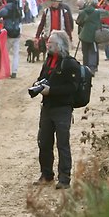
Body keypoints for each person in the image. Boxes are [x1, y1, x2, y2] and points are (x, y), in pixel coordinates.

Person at [34, 32, 81, 190]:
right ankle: (46, 174)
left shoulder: (69, 63)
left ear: (60, 45)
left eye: (52, 43)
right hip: (47, 107)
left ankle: (64, 178)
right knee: (44, 142)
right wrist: (38, 86)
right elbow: (41, 77)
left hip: (62, 108)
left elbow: (72, 87)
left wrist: (51, 90)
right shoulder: (49, 60)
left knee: (63, 143)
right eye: (48, 42)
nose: (48, 45)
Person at [76, 0, 109, 73]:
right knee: (93, 52)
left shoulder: (83, 12)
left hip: (84, 35)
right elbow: (107, 14)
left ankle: (85, 68)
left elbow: (78, 22)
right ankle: (92, 68)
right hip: (94, 35)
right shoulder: (97, 12)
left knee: (85, 52)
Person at [0, 0, 23, 78]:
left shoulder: (5, 9)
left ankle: (4, 70)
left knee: (5, 53)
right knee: (16, 54)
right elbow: (20, 20)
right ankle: (14, 71)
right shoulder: (18, 9)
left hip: (7, 34)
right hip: (17, 33)